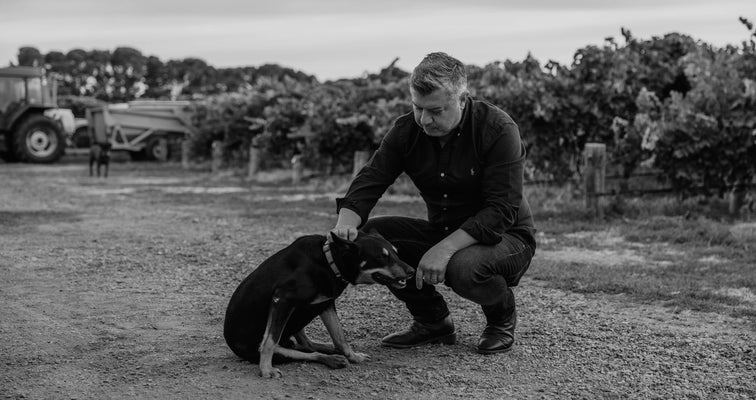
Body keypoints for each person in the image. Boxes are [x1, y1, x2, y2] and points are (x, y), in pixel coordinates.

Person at [330, 52, 536, 354]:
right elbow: (372, 178)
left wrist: (446, 248)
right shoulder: (407, 130)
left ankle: (500, 318)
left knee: (462, 267)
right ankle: (433, 323)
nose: (425, 120)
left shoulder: (498, 130)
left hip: (508, 236)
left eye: (436, 111)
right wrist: (346, 223)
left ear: (462, 99)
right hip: (444, 228)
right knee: (374, 239)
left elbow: (500, 210)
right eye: (418, 108)